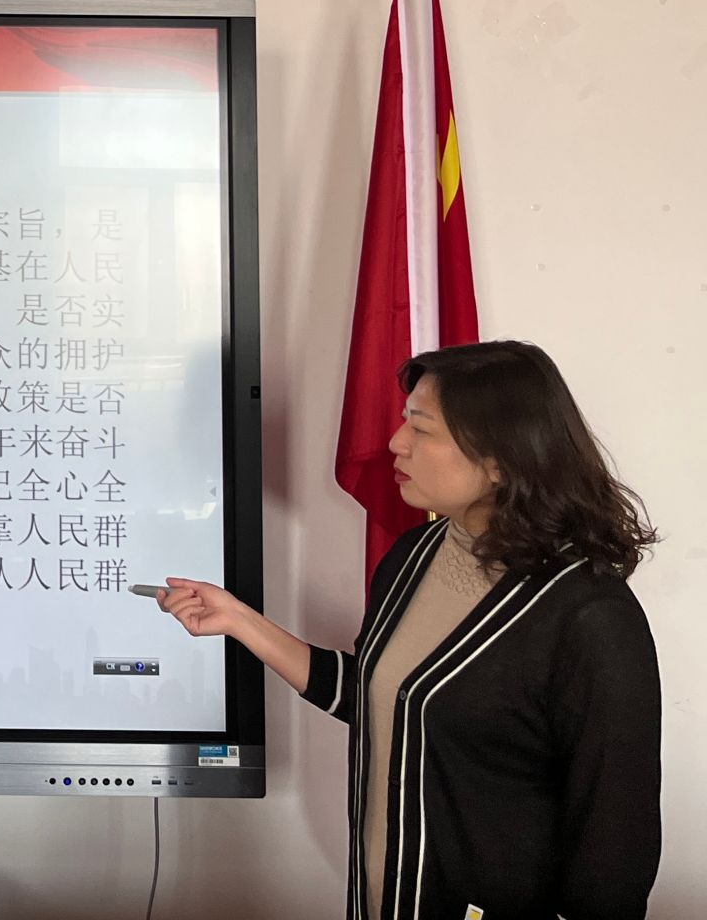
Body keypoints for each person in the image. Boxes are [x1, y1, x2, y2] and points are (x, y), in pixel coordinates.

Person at [158, 340, 661, 920]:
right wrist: (238, 619)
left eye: (421, 429)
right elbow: (384, 697)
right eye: (405, 421)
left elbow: (615, 842)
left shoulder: (589, 616)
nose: (397, 443)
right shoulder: (412, 556)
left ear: (501, 460)